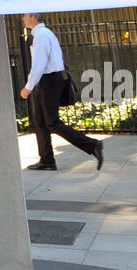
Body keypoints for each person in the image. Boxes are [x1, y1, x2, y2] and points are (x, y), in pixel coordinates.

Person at [19, 13, 104, 171]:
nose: (23, 19)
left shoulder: (42, 35)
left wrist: (28, 87)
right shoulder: (43, 34)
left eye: (25, 16)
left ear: (33, 17)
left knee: (52, 122)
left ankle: (93, 145)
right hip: (47, 81)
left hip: (49, 81)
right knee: (40, 121)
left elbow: (39, 64)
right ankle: (47, 160)